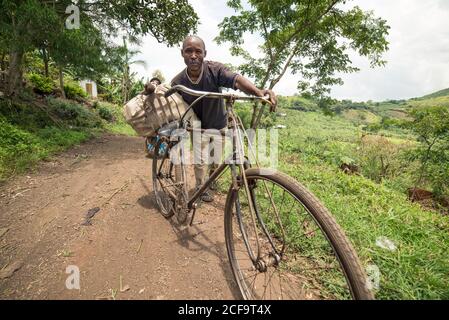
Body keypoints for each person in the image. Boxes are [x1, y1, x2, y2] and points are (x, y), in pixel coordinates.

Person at [169, 35, 277, 202]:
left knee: (215, 156)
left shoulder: (215, 70)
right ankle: (200, 186)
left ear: (204, 53)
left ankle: (212, 178)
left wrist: (259, 92)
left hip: (218, 122)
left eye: (198, 51)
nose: (193, 56)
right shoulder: (178, 81)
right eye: (188, 51)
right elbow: (173, 104)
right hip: (197, 126)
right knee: (200, 159)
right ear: (182, 53)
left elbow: (237, 80)